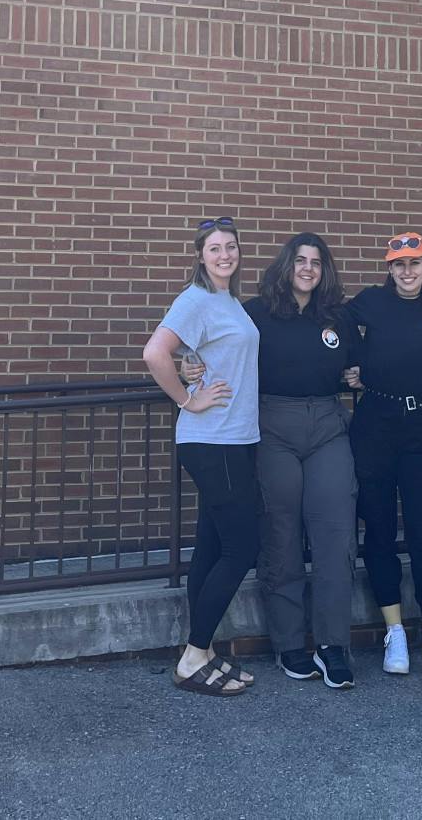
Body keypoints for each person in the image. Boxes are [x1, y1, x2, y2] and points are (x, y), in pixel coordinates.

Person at [141, 216, 261, 696]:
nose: (224, 255)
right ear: (200, 255)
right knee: (242, 547)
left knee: (211, 547)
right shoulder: (195, 299)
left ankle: (204, 652)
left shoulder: (227, 300)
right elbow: (155, 353)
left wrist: (193, 369)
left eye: (230, 247)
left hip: (235, 438)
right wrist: (187, 400)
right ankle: (192, 657)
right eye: (215, 248)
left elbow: (201, 355)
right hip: (214, 439)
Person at [246, 232, 360, 689]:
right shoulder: (257, 312)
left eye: (316, 261)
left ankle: (333, 645)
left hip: (328, 424)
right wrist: (190, 366)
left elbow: (356, 366)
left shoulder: (337, 317)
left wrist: (359, 374)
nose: (308, 268)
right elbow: (218, 349)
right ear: (286, 265)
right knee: (281, 531)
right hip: (274, 425)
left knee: (335, 532)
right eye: (300, 260)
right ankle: (289, 643)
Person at [347, 232, 422, 689]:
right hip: (376, 423)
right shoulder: (371, 302)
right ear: (389, 269)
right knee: (378, 530)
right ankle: (394, 632)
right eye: (398, 264)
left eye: (414, 263)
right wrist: (353, 364)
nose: (407, 271)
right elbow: (332, 327)